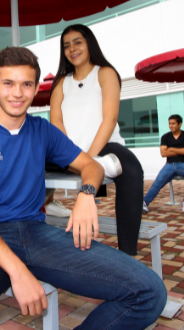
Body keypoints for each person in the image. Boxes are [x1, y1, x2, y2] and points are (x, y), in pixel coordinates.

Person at [0, 47, 166, 330]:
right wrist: (17, 270)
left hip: (36, 233)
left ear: (35, 89)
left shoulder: (42, 130)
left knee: (149, 292)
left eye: (26, 84)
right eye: (8, 83)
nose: (17, 93)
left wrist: (86, 195)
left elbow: (92, 166)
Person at [48, 24, 145, 256]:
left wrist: (89, 160)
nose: (72, 49)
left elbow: (109, 119)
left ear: (89, 43)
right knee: (29, 159)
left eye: (77, 42)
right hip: (70, 151)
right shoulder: (61, 82)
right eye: (66, 45)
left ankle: (127, 254)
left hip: (105, 148)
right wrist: (71, 156)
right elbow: (56, 123)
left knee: (132, 169)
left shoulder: (105, 73)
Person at [143, 115, 184, 214]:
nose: (171, 125)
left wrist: (171, 149)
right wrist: (181, 150)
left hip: (183, 165)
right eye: (169, 123)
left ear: (180, 124)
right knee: (157, 183)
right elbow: (163, 153)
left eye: (173, 123)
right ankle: (144, 202)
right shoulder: (165, 137)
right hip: (169, 165)